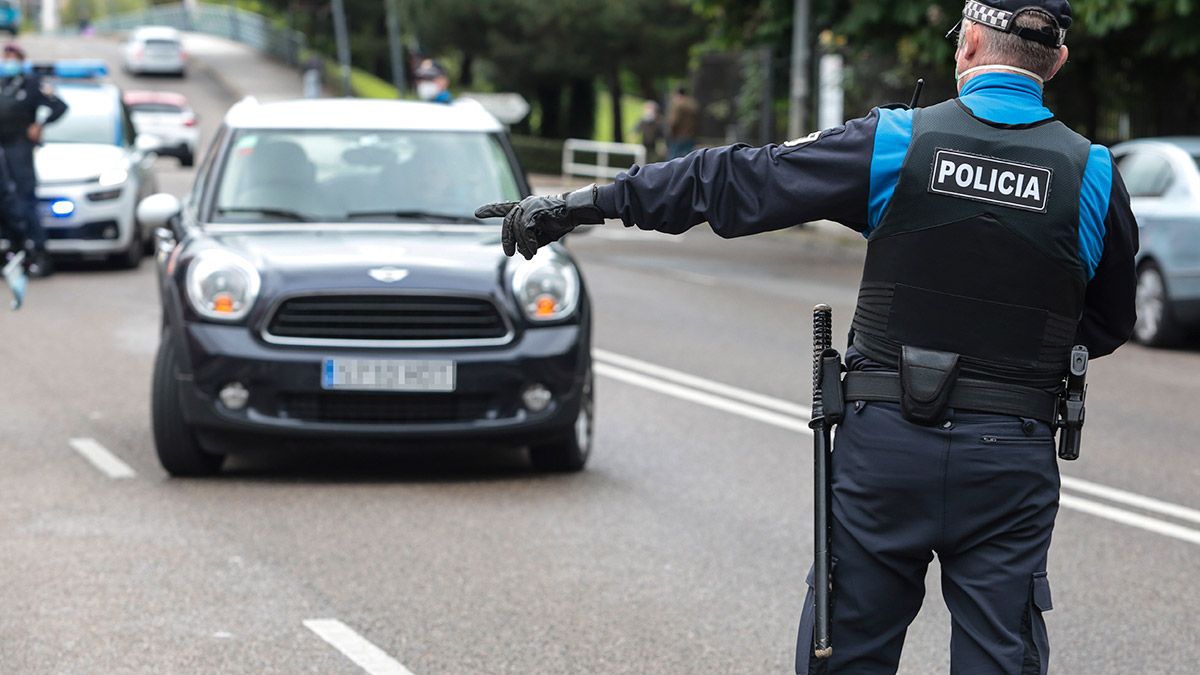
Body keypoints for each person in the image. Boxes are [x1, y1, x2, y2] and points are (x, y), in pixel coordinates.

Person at [475, 2, 1138, 673]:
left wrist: (580, 205)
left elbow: (730, 180)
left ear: (966, 46)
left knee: (844, 652)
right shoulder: (1094, 173)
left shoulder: (896, 143)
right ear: (1055, 62)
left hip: (886, 450)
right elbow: (1111, 320)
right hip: (1009, 460)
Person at [0, 43, 68, 278]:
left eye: (13, 56)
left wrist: (39, 125)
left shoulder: (32, 83)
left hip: (20, 148)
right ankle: (11, 247)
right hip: (3, 150)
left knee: (25, 200)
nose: (8, 59)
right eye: (6, 55)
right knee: (4, 202)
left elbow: (59, 107)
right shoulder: (2, 83)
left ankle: (38, 251)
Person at [666, 86, 698, 159]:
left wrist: (670, 133)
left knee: (674, 160)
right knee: (688, 158)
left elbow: (674, 122)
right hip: (690, 135)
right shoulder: (693, 105)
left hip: (678, 137)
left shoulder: (677, 105)